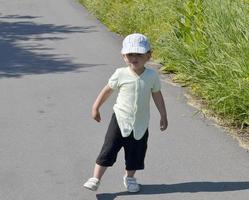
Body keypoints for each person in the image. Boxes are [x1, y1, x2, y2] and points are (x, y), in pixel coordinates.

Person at [83, 33, 168, 193]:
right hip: (119, 120)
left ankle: (129, 177)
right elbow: (107, 91)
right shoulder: (120, 73)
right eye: (130, 54)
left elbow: (157, 95)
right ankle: (95, 178)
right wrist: (96, 107)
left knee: (136, 153)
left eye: (139, 54)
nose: (134, 58)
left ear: (149, 56)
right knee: (108, 148)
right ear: (123, 56)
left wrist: (163, 115)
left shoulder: (151, 76)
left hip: (141, 124)